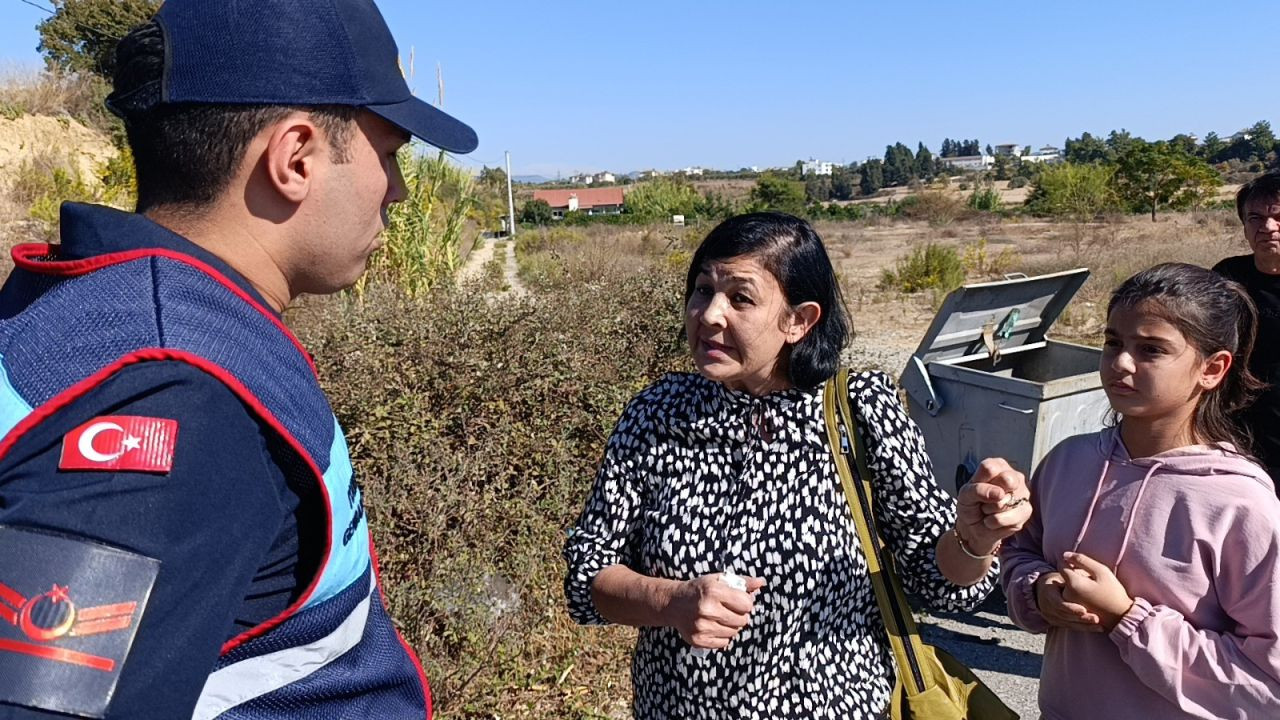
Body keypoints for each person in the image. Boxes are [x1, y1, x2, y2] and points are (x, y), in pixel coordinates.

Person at [0, 1, 477, 718]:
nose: (399, 190)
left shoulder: (103, 302)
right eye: (388, 153)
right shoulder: (172, 394)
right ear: (295, 158)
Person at [562, 212, 1031, 719]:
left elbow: (939, 583)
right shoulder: (658, 413)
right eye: (702, 290)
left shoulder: (860, 412)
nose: (710, 313)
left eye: (740, 297)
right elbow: (588, 576)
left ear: (800, 320)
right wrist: (671, 601)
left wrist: (975, 538)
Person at [1001, 263, 1280, 719]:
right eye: (1113, 342)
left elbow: (1267, 685)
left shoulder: (1239, 505)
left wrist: (1126, 618)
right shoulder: (1067, 462)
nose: (1121, 364)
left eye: (1151, 350)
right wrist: (1039, 591)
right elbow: (1018, 553)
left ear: (1211, 368)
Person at [1213, 170, 1280, 489]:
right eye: (1255, 217)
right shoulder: (1227, 276)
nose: (1267, 227)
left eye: (1278, 216)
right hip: (1236, 423)